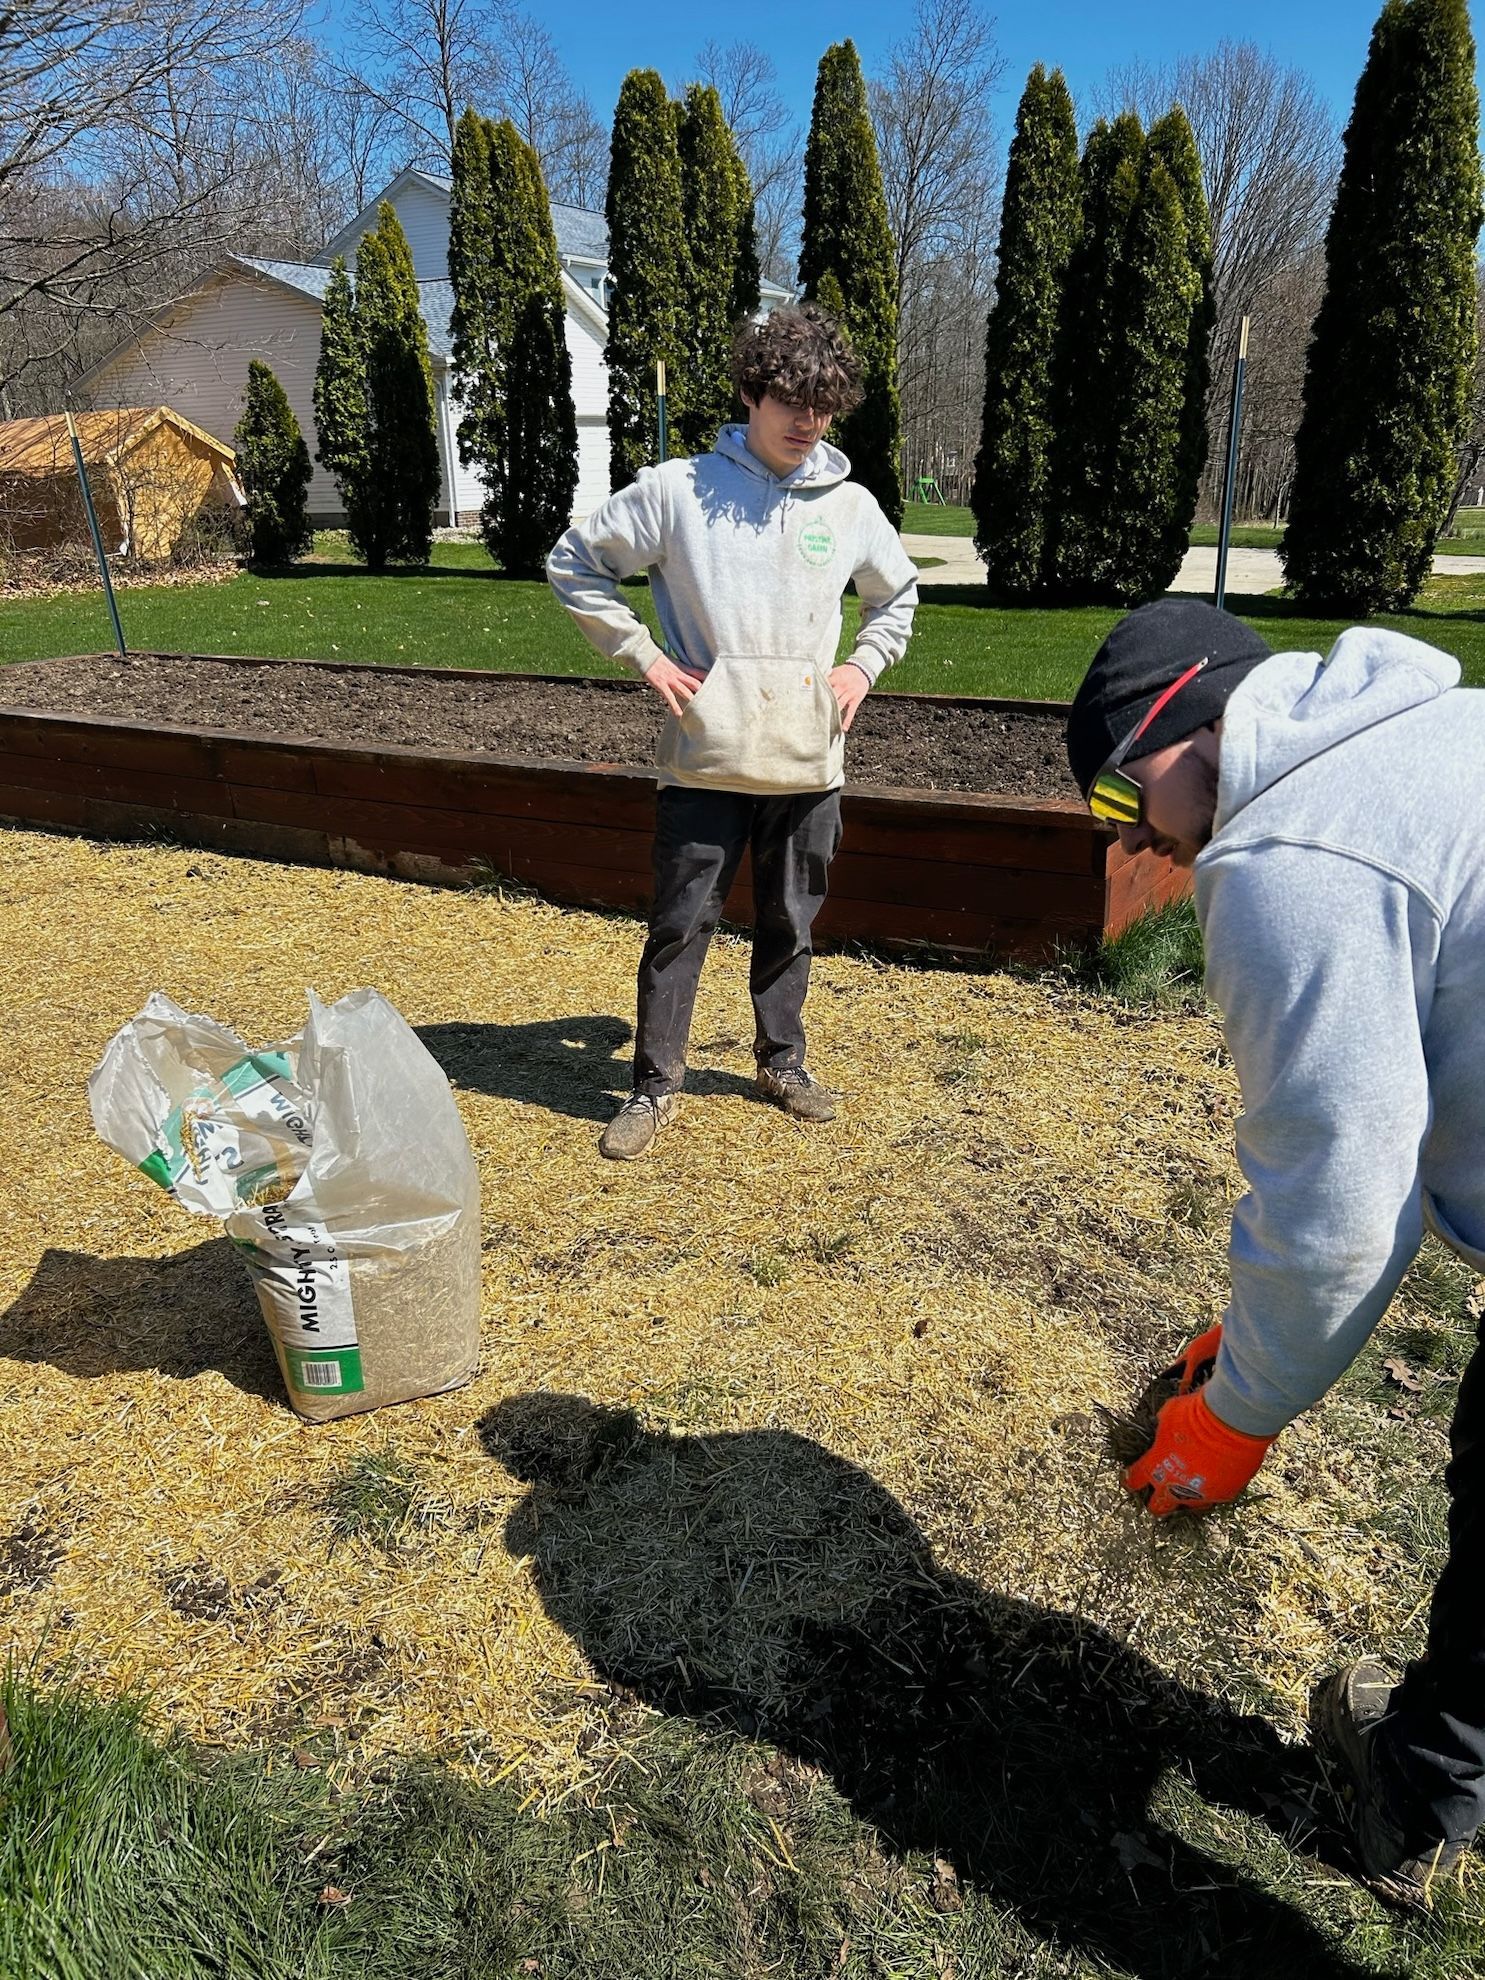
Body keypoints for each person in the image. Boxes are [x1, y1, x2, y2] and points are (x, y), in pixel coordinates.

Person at [1065, 594, 1485, 1908]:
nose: (1137, 842)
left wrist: (1235, 1413)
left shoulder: (1286, 855)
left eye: (1119, 801)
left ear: (1175, 733)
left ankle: (1422, 1795)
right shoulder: (1438, 735)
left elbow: (1339, 1211)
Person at [547, 304, 918, 1160]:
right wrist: (643, 653)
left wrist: (861, 666)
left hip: (807, 764)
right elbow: (574, 562)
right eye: (791, 400)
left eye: (822, 406)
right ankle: (653, 1085)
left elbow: (895, 596)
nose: (807, 421)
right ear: (752, 393)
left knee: (792, 921)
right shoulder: (677, 492)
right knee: (680, 927)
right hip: (705, 761)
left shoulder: (850, 506)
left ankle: (781, 1063)